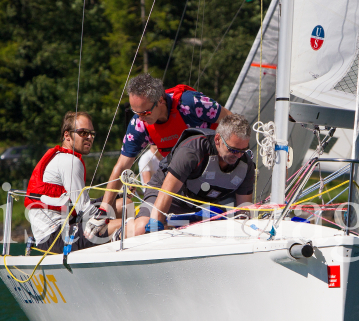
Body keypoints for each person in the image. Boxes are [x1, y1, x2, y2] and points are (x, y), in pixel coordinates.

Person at [100, 74, 234, 224]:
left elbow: (231, 121)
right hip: (175, 176)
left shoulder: (190, 103)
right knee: (144, 225)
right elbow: (122, 165)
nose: (140, 118)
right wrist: (104, 210)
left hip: (210, 172)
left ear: (161, 101)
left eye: (145, 113)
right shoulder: (139, 124)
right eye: (135, 113)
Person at [132, 113, 255, 236]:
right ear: (217, 140)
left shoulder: (246, 165)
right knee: (142, 228)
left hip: (201, 207)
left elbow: (243, 211)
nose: (238, 156)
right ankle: (118, 232)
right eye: (233, 150)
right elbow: (167, 191)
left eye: (243, 151)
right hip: (168, 195)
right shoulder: (193, 150)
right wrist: (155, 225)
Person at [25, 111, 108, 253]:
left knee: (121, 203)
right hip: (53, 238)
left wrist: (115, 199)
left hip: (64, 225)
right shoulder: (70, 161)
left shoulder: (62, 156)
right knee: (124, 225)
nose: (89, 137)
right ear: (67, 135)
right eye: (83, 132)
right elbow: (85, 210)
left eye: (92, 133)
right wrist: (109, 219)